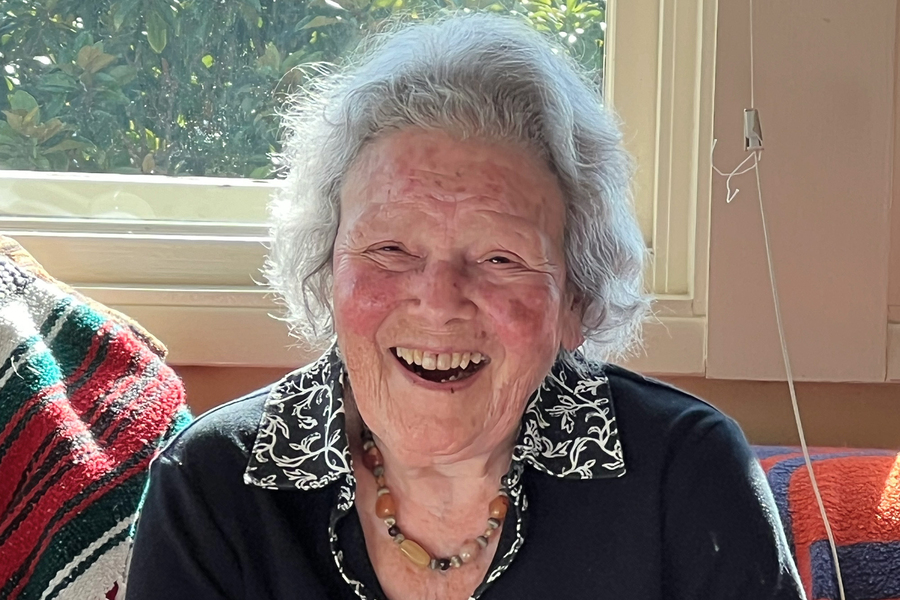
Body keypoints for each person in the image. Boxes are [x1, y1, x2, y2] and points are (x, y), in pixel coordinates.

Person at [126, 13, 804, 600]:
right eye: (390, 248)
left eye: (500, 258)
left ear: (574, 297)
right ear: (327, 271)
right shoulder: (215, 486)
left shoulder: (682, 474)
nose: (439, 300)